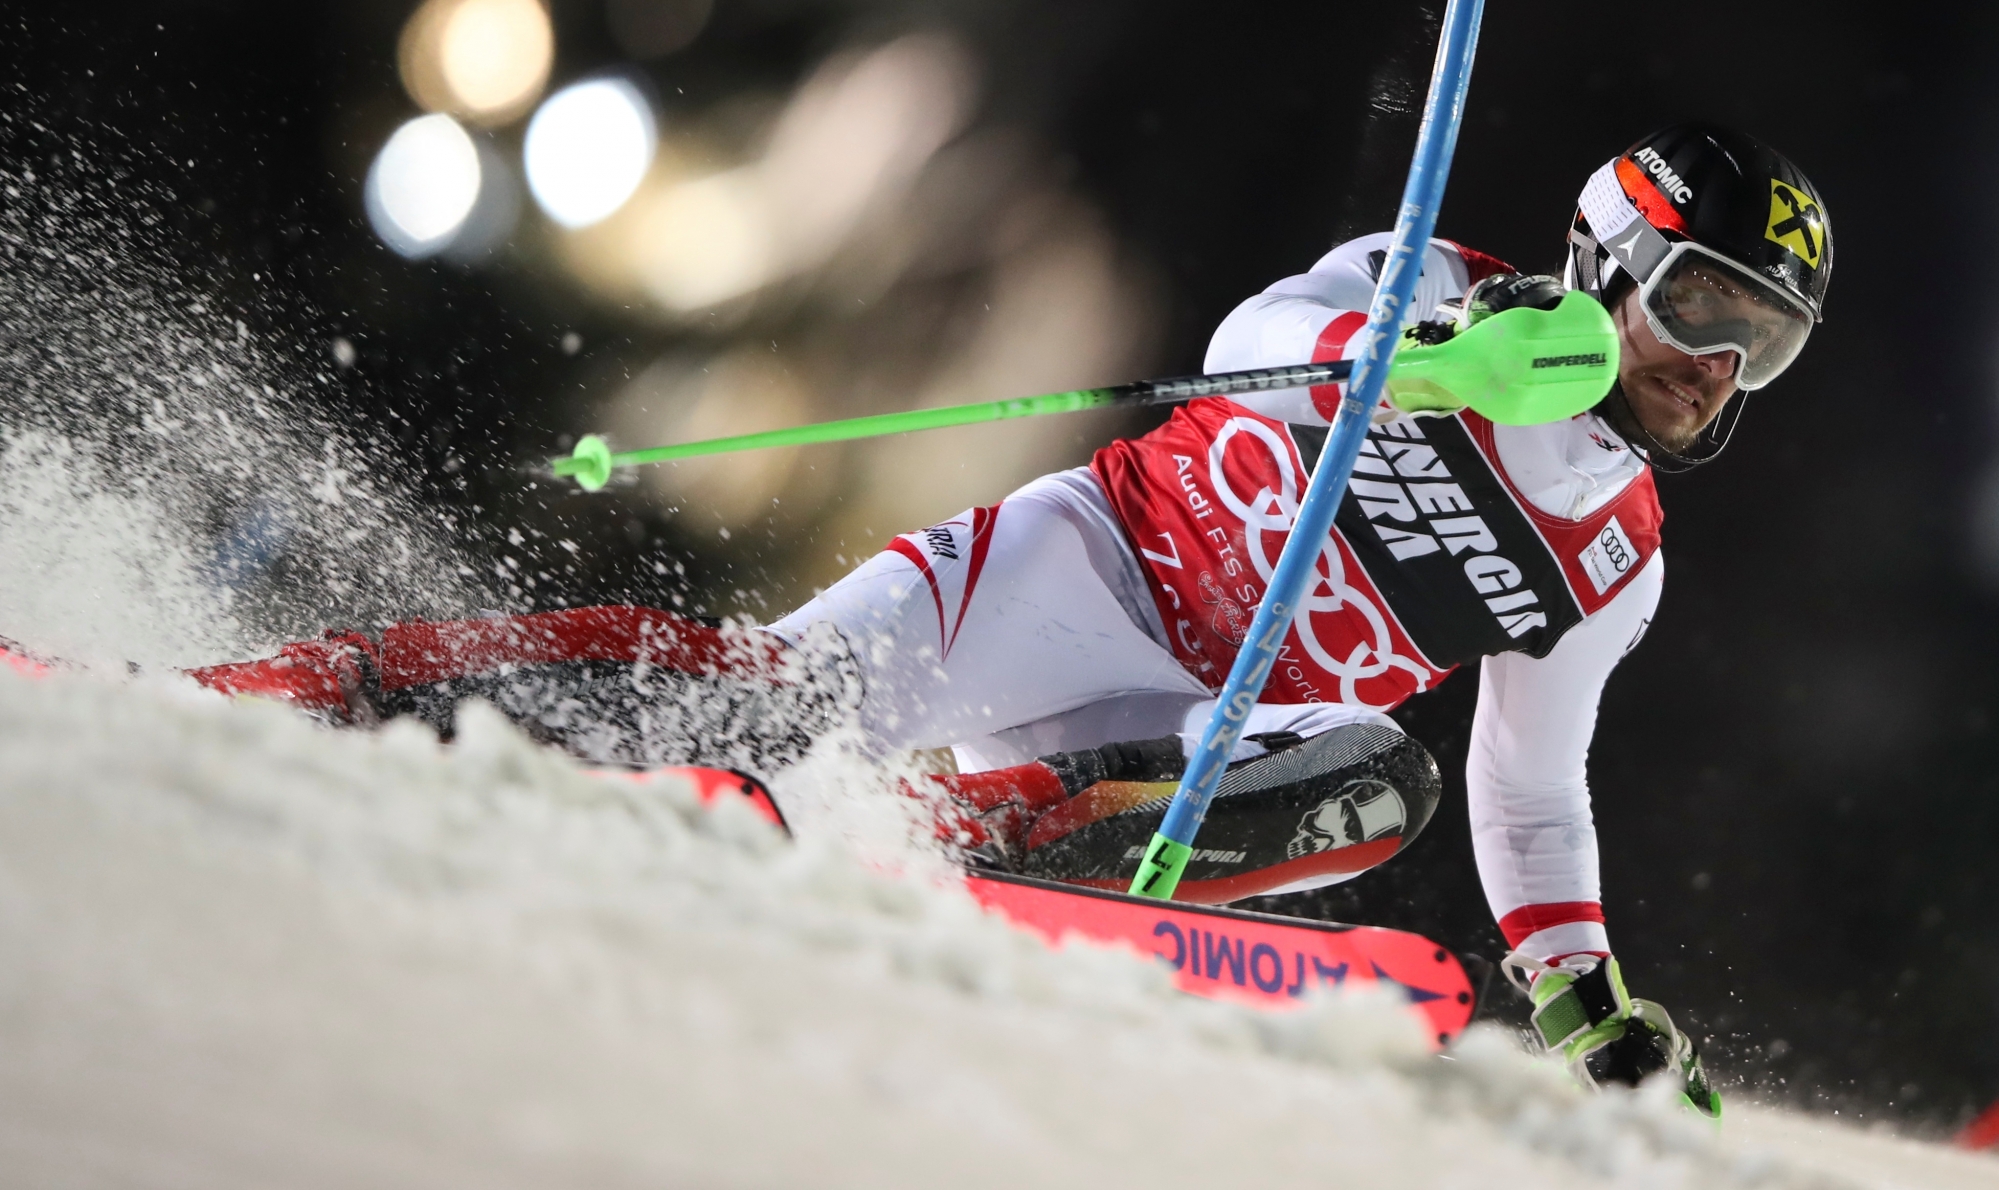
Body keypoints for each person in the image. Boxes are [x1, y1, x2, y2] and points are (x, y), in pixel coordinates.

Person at [187, 123, 1829, 1106]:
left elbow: (1530, 781)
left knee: (1378, 774)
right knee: (761, 694)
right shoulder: (1437, 279)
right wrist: (1416, 356)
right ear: (1614, 255)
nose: (1711, 363)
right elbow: (1258, 334)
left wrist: (1579, 990)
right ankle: (305, 685)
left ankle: (970, 839)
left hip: (1200, 732)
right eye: (1700, 302)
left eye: (1760, 341)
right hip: (1080, 576)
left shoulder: (1616, 557)